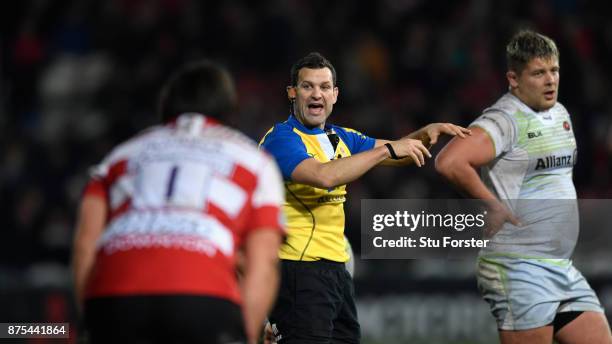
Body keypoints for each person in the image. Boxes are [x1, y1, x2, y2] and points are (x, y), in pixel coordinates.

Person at [259, 51, 471, 343]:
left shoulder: (341, 137)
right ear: (292, 93)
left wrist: (426, 133)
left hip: (335, 270)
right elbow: (324, 176)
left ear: (335, 94)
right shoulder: (282, 139)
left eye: (323, 87)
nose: (316, 94)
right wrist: (387, 150)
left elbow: (399, 153)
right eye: (307, 86)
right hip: (299, 270)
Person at [72, 60, 285, 344]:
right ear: (230, 109)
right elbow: (264, 262)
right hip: (202, 297)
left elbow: (86, 243)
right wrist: (244, 334)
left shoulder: (121, 155)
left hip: (115, 297)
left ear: (166, 106)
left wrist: (92, 318)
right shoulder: (254, 161)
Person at [435, 30, 612, 344]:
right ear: (513, 79)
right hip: (519, 265)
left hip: (558, 265)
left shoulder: (559, 114)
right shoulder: (505, 120)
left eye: (554, 70)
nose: (550, 80)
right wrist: (492, 204)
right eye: (538, 73)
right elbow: (450, 161)